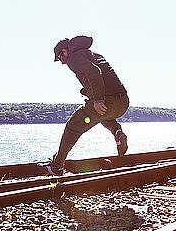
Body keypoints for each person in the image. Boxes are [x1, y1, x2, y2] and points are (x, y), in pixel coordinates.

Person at [39, 35, 129, 175]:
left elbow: (94, 72)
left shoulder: (73, 57)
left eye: (60, 57)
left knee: (73, 127)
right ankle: (117, 132)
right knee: (101, 114)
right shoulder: (93, 54)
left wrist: (98, 99)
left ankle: (57, 166)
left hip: (107, 101)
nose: (62, 62)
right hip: (122, 102)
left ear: (64, 51)